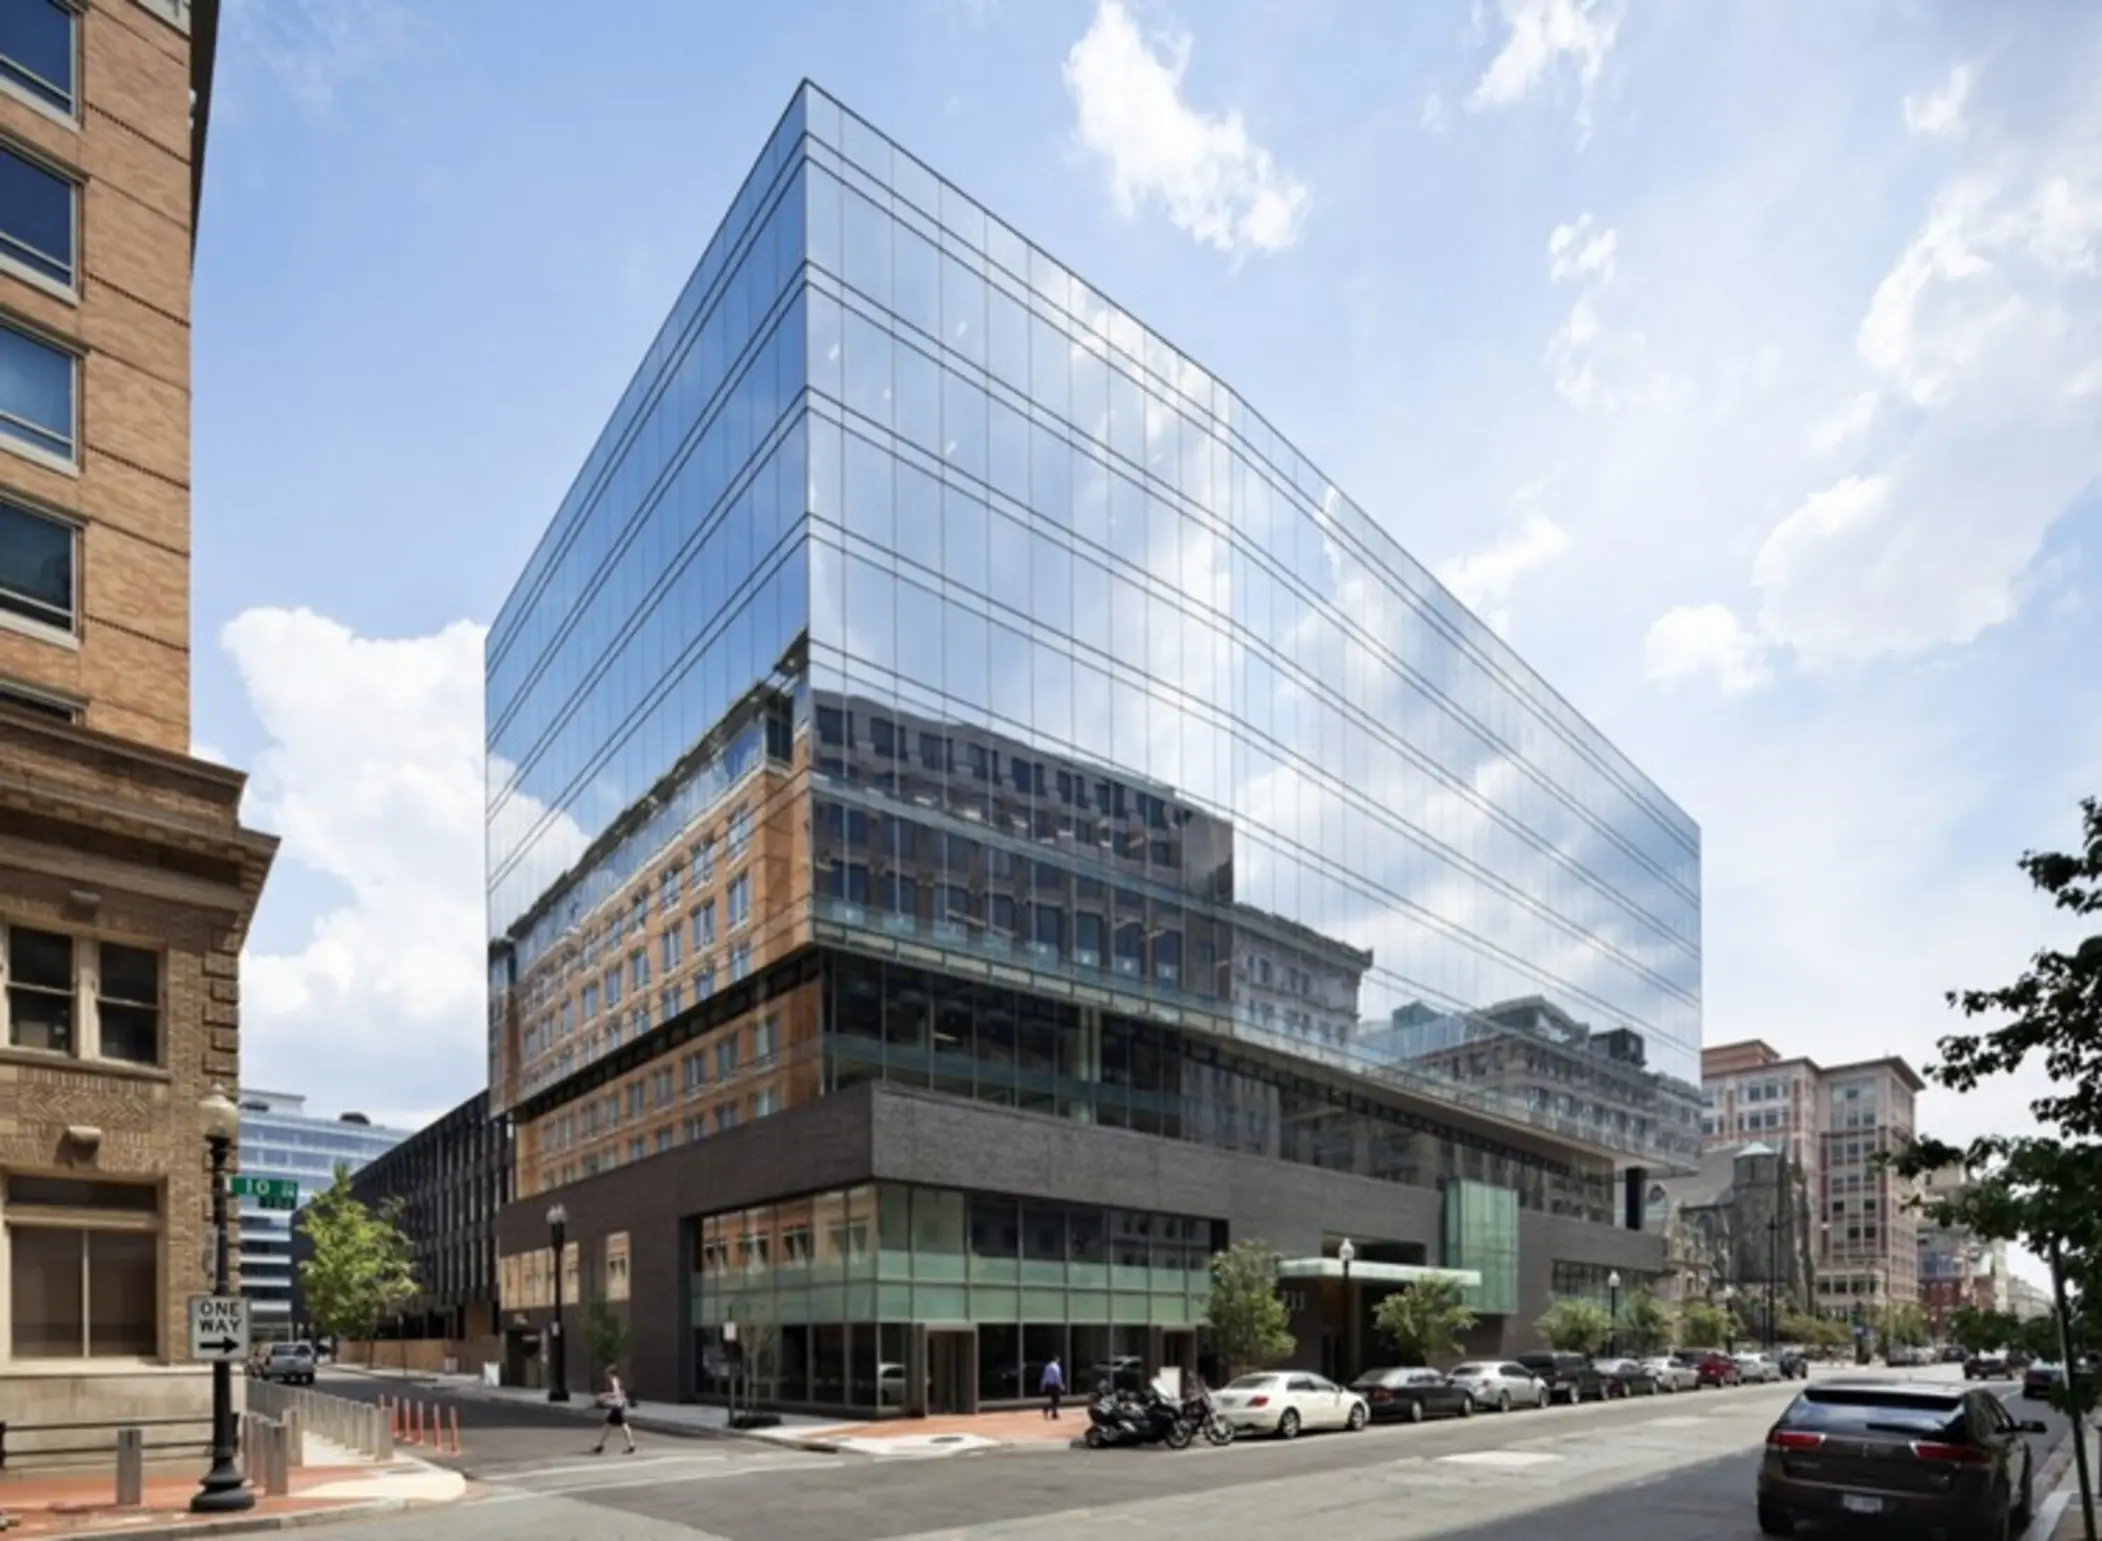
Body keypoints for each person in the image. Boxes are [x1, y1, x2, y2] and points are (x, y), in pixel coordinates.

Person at [592, 1369, 636, 1454]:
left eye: (608, 1374)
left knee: (622, 1426)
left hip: (617, 1406)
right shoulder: (617, 1380)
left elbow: (615, 1394)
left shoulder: (614, 1381)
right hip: (617, 1406)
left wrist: (604, 1395)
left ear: (612, 1374)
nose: (607, 1376)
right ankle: (601, 1446)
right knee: (610, 1426)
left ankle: (631, 1445)